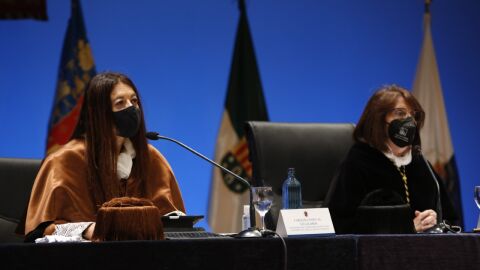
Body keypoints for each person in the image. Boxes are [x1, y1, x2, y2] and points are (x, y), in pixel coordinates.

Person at [24, 72, 185, 241]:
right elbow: (42, 230)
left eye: (134, 101)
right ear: (99, 112)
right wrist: (87, 229)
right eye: (120, 103)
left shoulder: (151, 157)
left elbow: (175, 222)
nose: (131, 108)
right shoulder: (65, 161)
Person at [324, 85, 457, 234]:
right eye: (400, 113)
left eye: (413, 115)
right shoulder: (359, 162)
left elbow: (452, 220)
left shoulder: (421, 164)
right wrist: (408, 229)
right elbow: (342, 226)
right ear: (378, 119)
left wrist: (436, 222)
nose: (409, 121)